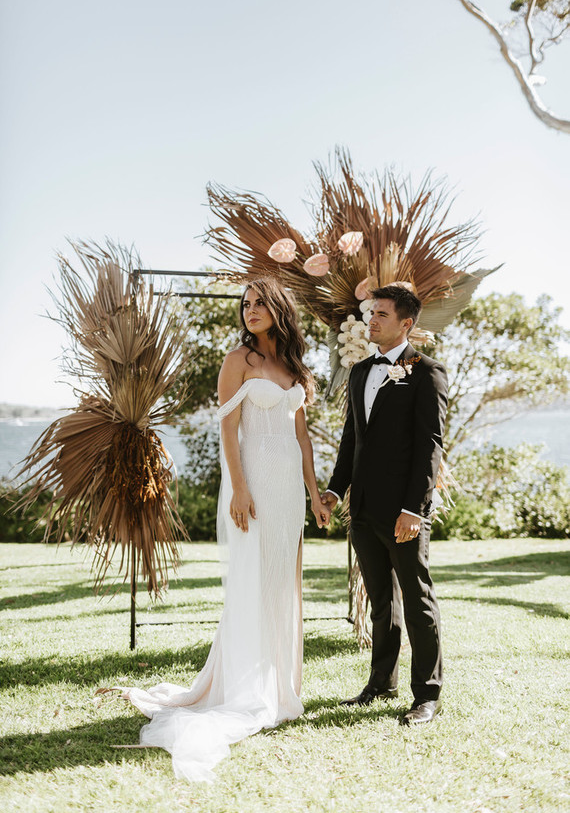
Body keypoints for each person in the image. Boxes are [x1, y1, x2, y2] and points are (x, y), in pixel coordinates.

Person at [122, 275, 329, 781]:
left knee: (282, 585)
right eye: (246, 304)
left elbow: (301, 437)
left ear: (279, 309)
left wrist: (316, 492)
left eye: (260, 303)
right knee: (252, 584)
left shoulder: (295, 367)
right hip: (253, 482)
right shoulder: (239, 361)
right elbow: (228, 430)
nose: (250, 310)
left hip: (288, 493)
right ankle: (243, 689)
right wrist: (239, 488)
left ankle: (279, 685)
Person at [321, 283, 448, 726]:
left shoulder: (426, 372)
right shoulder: (359, 372)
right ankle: (381, 681)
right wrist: (335, 490)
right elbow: (351, 440)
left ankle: (426, 694)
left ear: (406, 323)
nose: (371, 320)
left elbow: (430, 446)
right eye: (371, 313)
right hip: (363, 512)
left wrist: (415, 507)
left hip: (404, 513)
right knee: (381, 601)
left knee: (417, 599)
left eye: (381, 315)